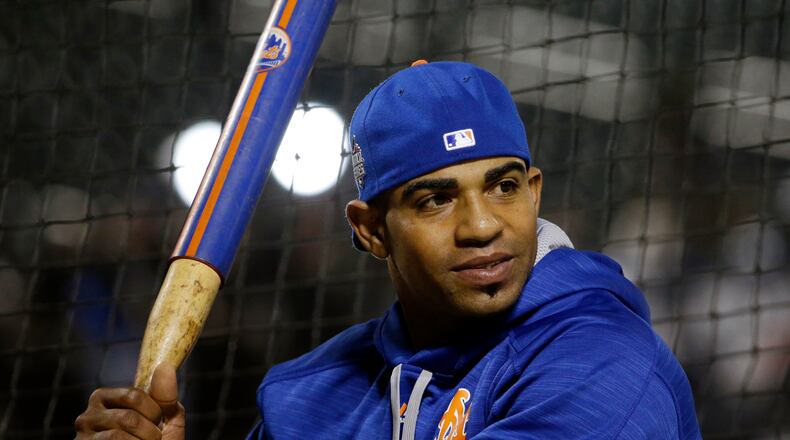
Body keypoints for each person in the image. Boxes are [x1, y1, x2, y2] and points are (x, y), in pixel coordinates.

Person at [75, 61, 702, 439]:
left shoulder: (605, 367)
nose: (482, 226)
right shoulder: (305, 399)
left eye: (503, 187)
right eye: (436, 199)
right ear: (370, 229)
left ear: (534, 195)